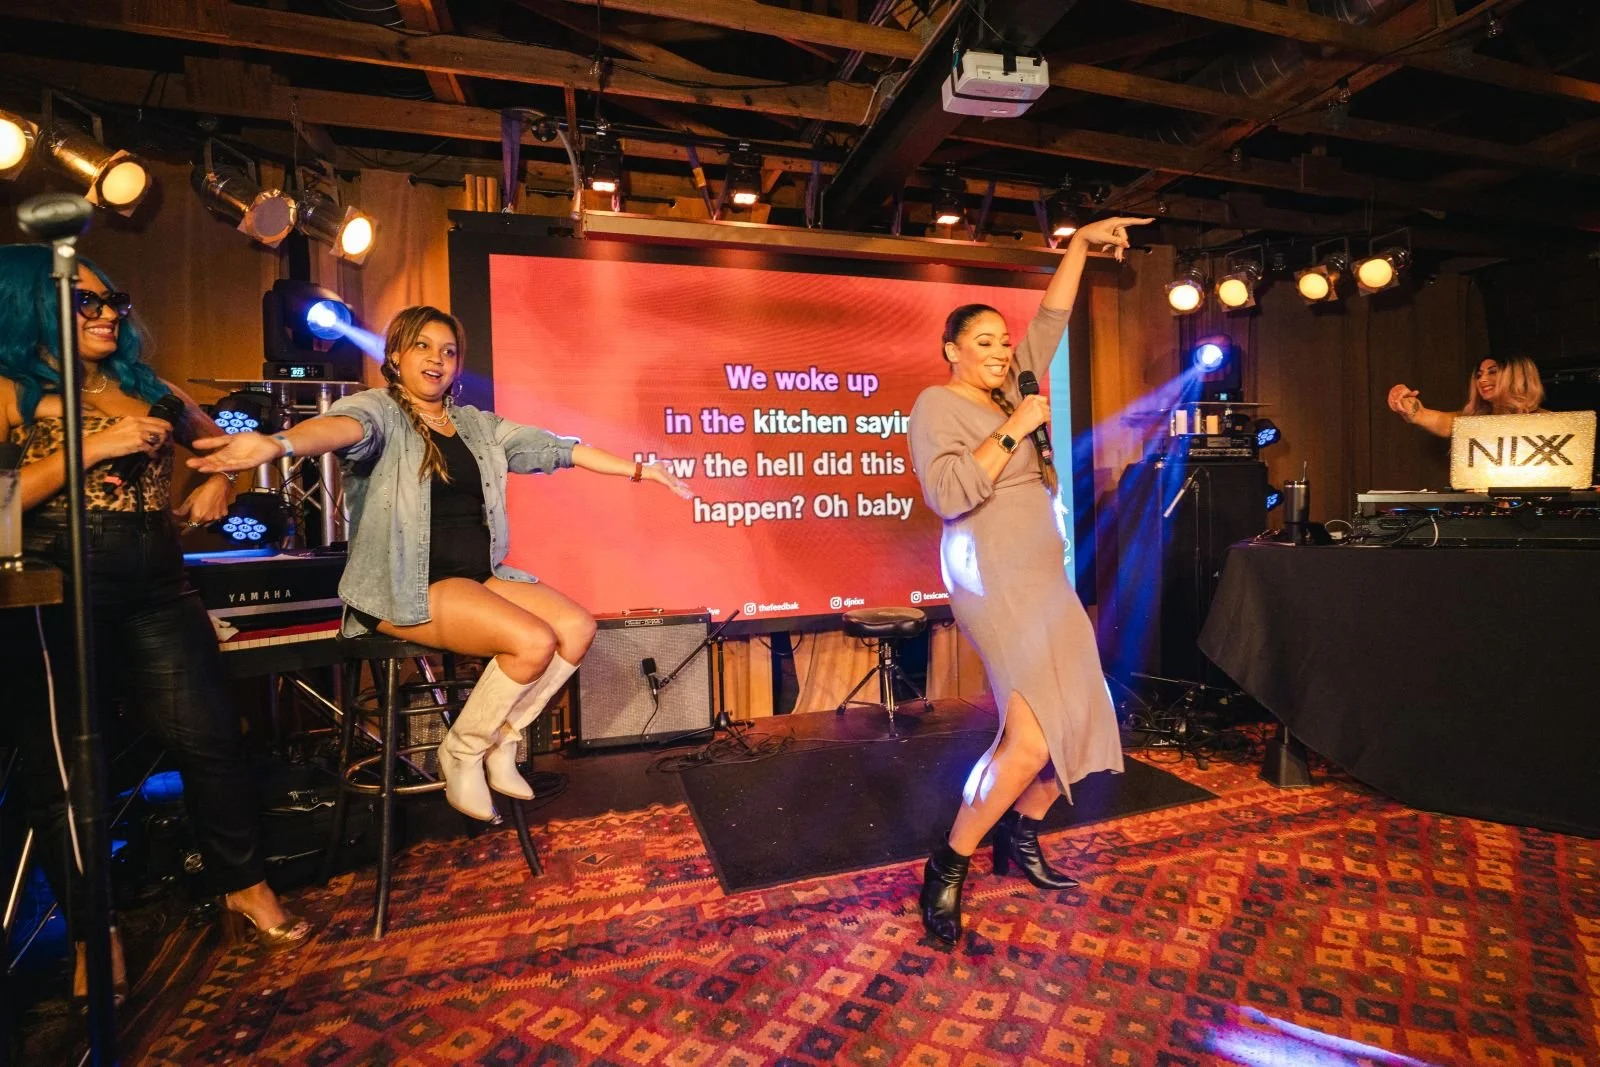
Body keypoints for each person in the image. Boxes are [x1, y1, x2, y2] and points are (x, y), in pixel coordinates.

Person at [189, 306, 691, 821]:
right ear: (397, 355)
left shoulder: (475, 426)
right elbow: (338, 428)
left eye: (449, 351)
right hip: (406, 585)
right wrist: (278, 443)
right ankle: (460, 752)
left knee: (578, 628)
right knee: (533, 641)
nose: (438, 359)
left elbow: (556, 449)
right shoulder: (379, 410)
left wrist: (640, 470)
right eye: (424, 347)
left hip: (477, 577)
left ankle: (502, 739)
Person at [0, 245, 313, 1006]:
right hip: (52, 582)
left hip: (157, 581)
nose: (109, 313)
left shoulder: (150, 389)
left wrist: (220, 482)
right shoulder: (11, 391)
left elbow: (218, 448)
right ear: (33, 306)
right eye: (87, 302)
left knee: (212, 735)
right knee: (68, 773)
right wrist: (90, 445)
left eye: (116, 301)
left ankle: (245, 886)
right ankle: (92, 927)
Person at [906, 216, 1150, 946]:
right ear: (952, 349)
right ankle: (947, 864)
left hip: (1046, 572)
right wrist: (1014, 430)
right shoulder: (936, 405)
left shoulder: (1017, 382)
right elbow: (950, 493)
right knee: (1030, 739)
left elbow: (1052, 314)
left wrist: (1077, 246)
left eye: (1002, 342)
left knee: (1080, 716)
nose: (1001, 351)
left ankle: (1021, 835)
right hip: (991, 575)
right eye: (983, 341)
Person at [1387, 356, 1546, 437]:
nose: (1482, 380)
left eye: (1493, 372)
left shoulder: (1547, 421)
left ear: (1518, 376)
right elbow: (1425, 416)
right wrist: (1403, 402)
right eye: (1479, 374)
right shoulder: (1472, 421)